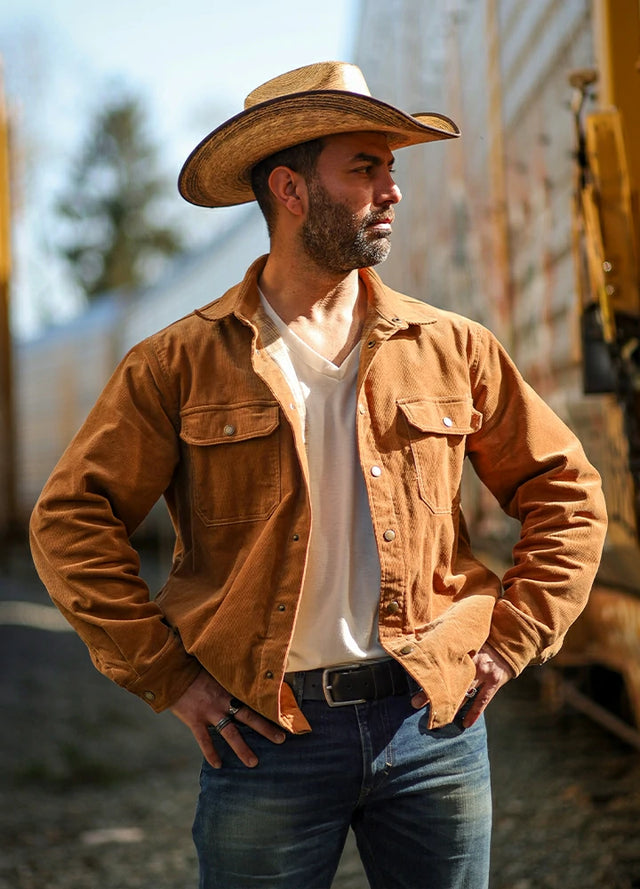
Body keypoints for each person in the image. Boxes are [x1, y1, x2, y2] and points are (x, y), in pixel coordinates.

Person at [30, 61, 607, 889]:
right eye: (365, 168)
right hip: (266, 735)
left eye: (392, 167)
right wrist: (172, 677)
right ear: (291, 189)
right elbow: (69, 519)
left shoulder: (453, 347)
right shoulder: (178, 363)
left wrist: (510, 642)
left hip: (431, 727)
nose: (392, 191)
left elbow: (568, 492)